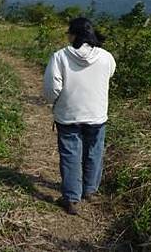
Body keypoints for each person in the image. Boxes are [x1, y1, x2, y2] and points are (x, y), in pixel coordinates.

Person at [43, 17, 116, 215]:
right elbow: (110, 74)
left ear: (73, 34)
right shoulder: (106, 57)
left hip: (68, 115)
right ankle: (90, 190)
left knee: (70, 155)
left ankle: (72, 198)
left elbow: (52, 89)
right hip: (97, 114)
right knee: (94, 152)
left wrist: (54, 102)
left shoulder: (60, 57)